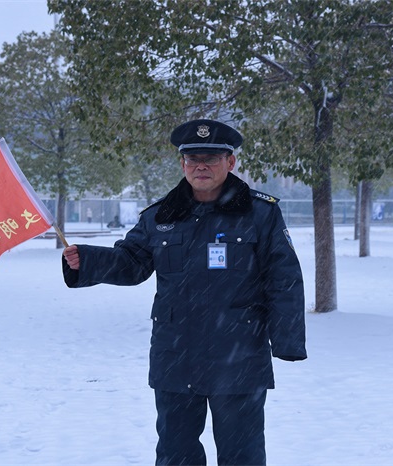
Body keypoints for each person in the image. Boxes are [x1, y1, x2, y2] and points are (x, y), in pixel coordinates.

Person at [62, 119, 307, 466]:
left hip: (238, 357)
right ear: (182, 164)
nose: (201, 166)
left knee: (242, 454)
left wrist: (287, 340)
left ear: (230, 162)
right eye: (193, 159)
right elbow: (132, 262)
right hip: (176, 355)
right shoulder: (160, 215)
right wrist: (85, 261)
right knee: (176, 454)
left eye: (211, 158)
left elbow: (284, 278)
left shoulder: (260, 214)